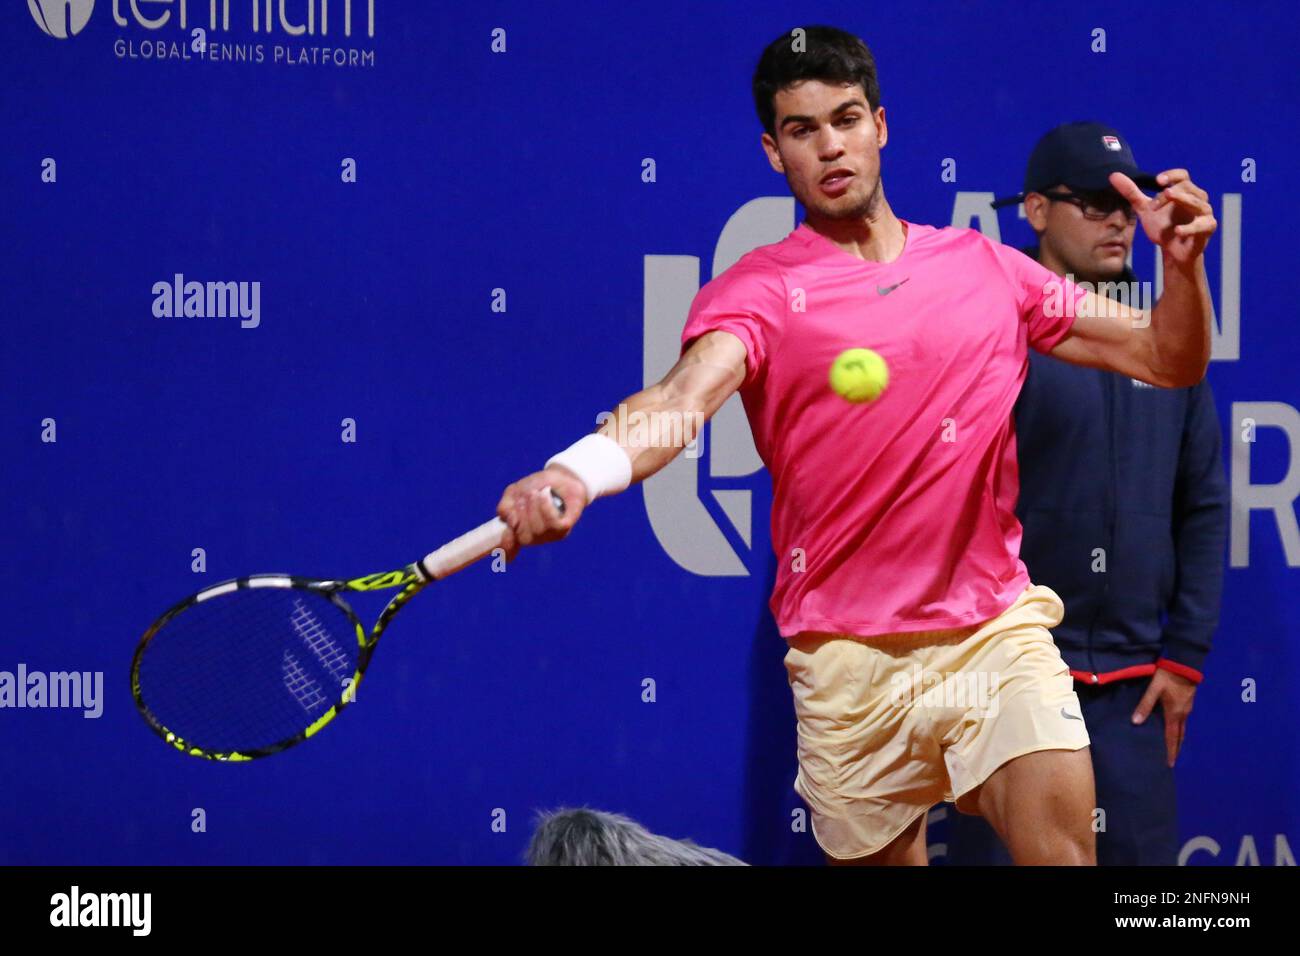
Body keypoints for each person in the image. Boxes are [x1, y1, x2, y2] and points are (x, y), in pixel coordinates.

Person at [494, 26, 1217, 865]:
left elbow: (1168, 357)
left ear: (881, 124)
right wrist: (579, 471)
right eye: (802, 130)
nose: (830, 145)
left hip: (992, 630)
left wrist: (1184, 271)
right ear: (774, 151)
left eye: (845, 119)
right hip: (846, 661)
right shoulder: (759, 291)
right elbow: (677, 402)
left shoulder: (984, 268)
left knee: (1063, 854)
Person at [945, 123, 1228, 866]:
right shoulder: (992, 336)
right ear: (1034, 211)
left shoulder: (1172, 342)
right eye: (1093, 202)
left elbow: (1202, 504)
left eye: (1126, 205)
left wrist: (1185, 655)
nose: (1115, 220)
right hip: (1010, 680)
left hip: (1132, 689)